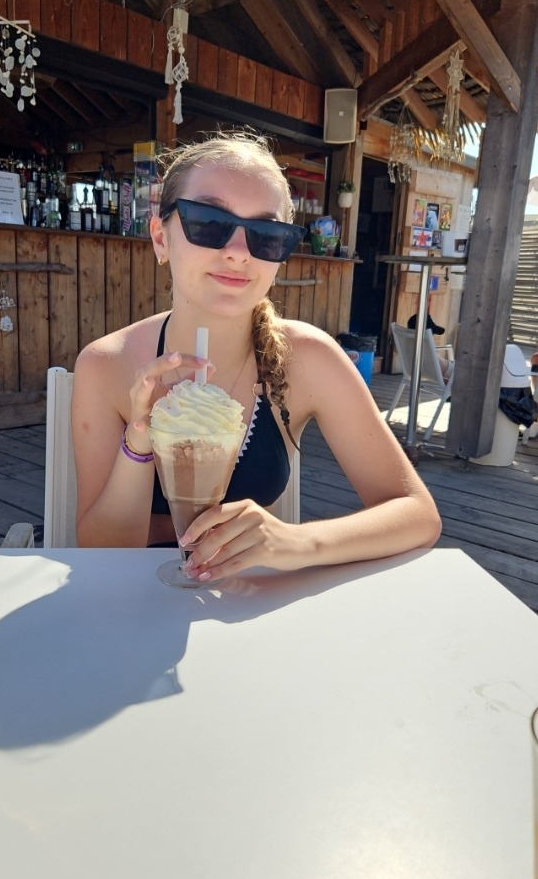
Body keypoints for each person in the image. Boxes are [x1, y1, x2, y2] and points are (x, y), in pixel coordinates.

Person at [72, 131, 441, 580]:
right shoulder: (106, 364)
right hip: (130, 602)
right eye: (208, 222)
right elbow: (99, 549)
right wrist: (139, 440)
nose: (238, 253)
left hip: (251, 605)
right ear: (161, 238)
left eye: (266, 235)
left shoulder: (308, 358)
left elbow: (417, 514)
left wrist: (296, 541)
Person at [407, 312, 454, 382]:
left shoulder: (408, 344)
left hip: (421, 373)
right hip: (447, 372)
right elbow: (444, 369)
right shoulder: (426, 347)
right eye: (433, 334)